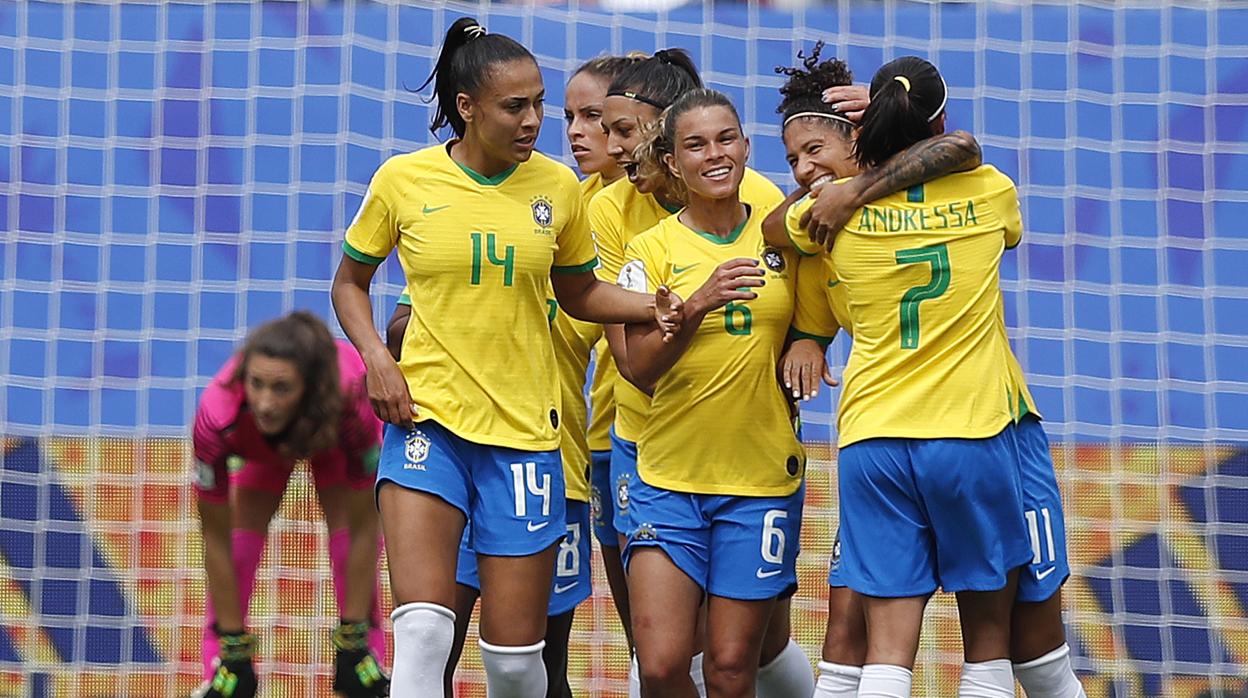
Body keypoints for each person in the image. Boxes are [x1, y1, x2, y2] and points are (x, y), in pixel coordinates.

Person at [331, 18, 680, 698]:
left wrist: (655, 307)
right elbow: (350, 281)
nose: (535, 121)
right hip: (426, 424)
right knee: (425, 636)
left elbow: (578, 291)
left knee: (517, 664)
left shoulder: (558, 189)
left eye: (539, 104)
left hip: (526, 436)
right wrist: (376, 355)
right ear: (467, 107)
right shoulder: (404, 180)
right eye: (515, 106)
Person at [778, 47, 1085, 698]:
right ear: (935, 124)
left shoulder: (825, 219)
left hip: (872, 441)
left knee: (885, 657)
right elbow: (965, 150)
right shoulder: (990, 190)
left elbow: (781, 227)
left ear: (863, 131)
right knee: (991, 652)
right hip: (975, 433)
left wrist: (851, 189)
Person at [594, 50, 816, 698]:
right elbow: (636, 370)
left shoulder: (779, 228)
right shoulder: (648, 249)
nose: (714, 154)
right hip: (664, 474)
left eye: (726, 139)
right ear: (674, 160)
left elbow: (823, 300)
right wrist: (695, 306)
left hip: (759, 476)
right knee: (662, 665)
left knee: (729, 668)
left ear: (747, 147)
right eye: (696, 144)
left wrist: (809, 342)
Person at [191, 311, 388, 698]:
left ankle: (362, 654)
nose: (264, 403)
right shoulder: (216, 417)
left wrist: (351, 635)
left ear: (309, 387)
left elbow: (367, 525)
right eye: (256, 384)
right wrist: (234, 645)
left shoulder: (350, 400)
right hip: (259, 450)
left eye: (280, 388)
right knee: (238, 544)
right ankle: (221, 665)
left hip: (328, 437)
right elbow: (213, 535)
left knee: (350, 538)